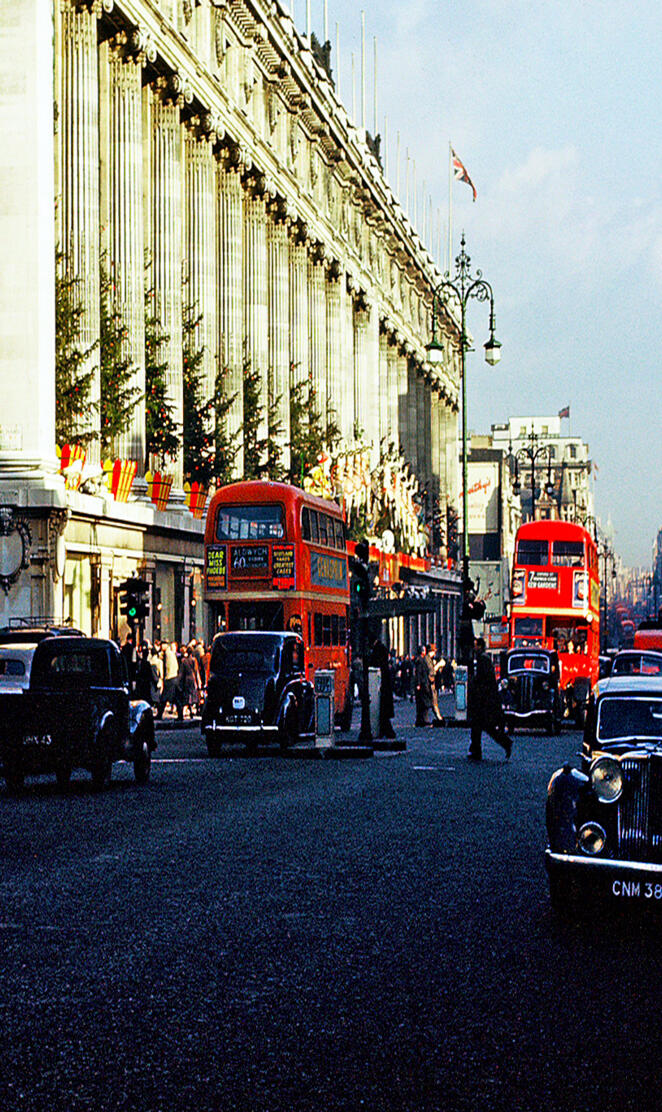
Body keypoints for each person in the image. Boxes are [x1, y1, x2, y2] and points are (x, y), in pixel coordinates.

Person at [468, 637, 512, 761]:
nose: (474, 648)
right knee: (481, 726)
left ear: (480, 647)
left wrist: (474, 683)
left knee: (484, 726)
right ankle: (475, 749)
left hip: (484, 699)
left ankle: (504, 743)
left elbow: (483, 679)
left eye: (476, 645)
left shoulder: (483, 660)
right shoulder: (483, 659)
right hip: (484, 699)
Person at [369, 639, 396, 738]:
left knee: (382, 713)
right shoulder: (385, 666)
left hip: (380, 688)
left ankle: (387, 732)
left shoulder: (377, 658)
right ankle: (386, 732)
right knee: (384, 714)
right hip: (384, 689)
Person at [414, 644, 433, 727]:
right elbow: (418, 673)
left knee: (422, 702)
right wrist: (418, 684)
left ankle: (421, 719)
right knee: (423, 702)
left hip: (423, 683)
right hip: (422, 683)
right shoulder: (420, 661)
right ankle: (423, 719)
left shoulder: (421, 660)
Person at [426, 644, 444, 724]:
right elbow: (431, 672)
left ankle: (437, 716)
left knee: (433, 700)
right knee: (433, 701)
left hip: (432, 683)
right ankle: (438, 717)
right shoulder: (427, 659)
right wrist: (438, 665)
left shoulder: (430, 659)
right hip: (429, 684)